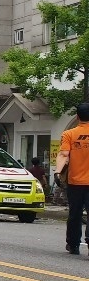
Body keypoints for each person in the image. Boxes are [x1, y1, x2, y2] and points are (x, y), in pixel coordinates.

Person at [56, 102, 89, 255]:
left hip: (75, 182)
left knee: (74, 213)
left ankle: (73, 244)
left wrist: (57, 172)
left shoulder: (69, 134)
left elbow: (64, 155)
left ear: (77, 117)